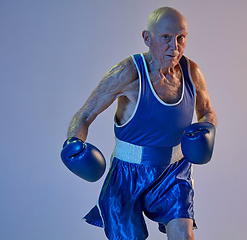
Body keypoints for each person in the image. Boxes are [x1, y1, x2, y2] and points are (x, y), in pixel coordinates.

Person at [61, 6, 216, 240]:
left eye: (181, 38)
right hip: (127, 175)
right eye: (166, 37)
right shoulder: (128, 73)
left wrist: (208, 129)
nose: (174, 46)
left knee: (184, 236)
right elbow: (85, 114)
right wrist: (74, 142)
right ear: (147, 38)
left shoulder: (191, 71)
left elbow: (206, 111)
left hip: (173, 171)